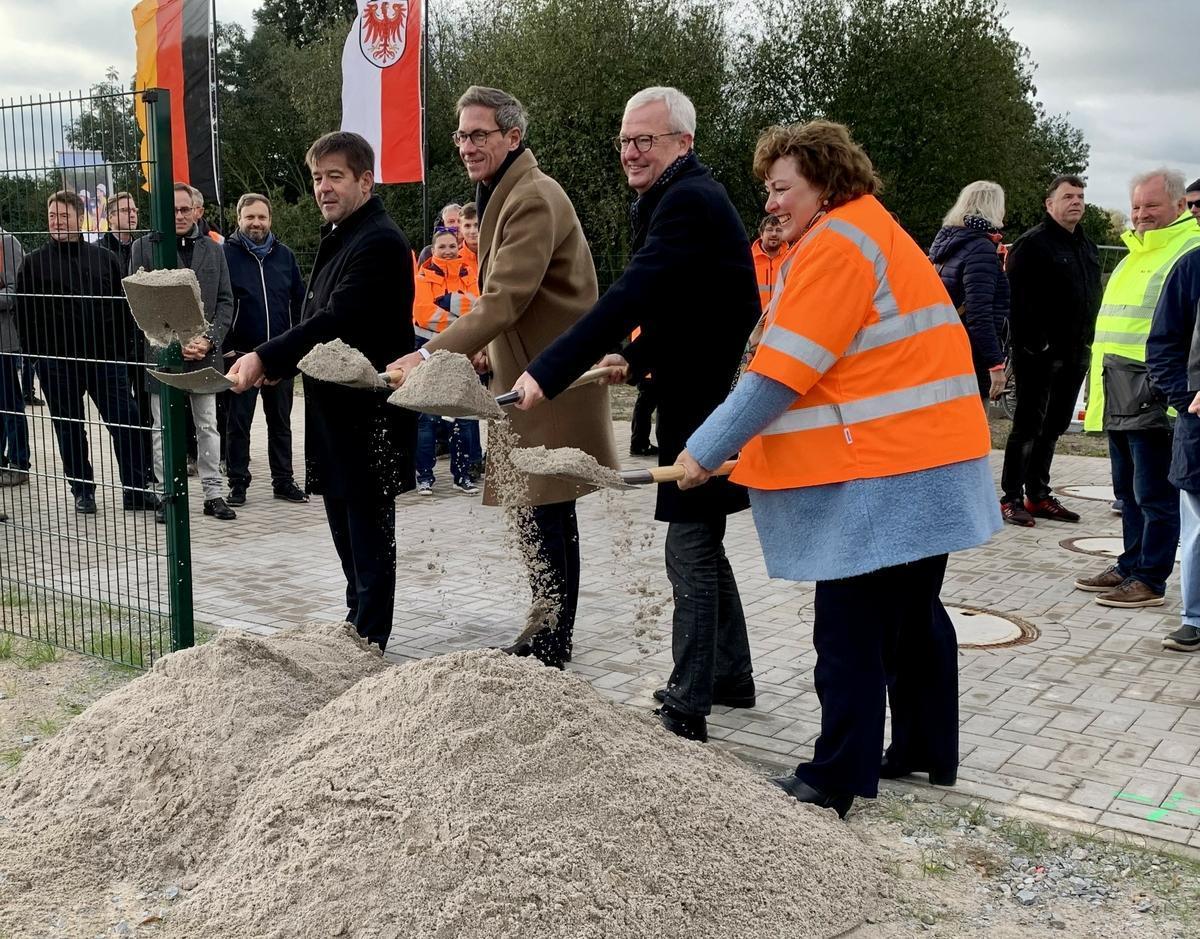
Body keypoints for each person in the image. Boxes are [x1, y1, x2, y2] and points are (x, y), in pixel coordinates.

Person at [676, 121, 998, 817]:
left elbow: (778, 374)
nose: (772, 202)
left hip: (890, 468)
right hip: (930, 457)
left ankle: (834, 776)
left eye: (782, 187)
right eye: (768, 189)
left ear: (826, 183)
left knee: (847, 626)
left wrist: (701, 450)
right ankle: (924, 748)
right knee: (912, 618)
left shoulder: (837, 245)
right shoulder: (872, 230)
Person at [510, 86, 760, 741]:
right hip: (695, 391)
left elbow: (635, 293)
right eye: (625, 139)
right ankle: (730, 672)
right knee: (703, 539)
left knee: (690, 549)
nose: (630, 151)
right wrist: (638, 358)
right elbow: (683, 301)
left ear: (684, 142)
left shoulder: (687, 201)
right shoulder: (676, 197)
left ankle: (688, 702)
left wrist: (548, 369)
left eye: (645, 139)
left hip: (705, 403)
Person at [388, 86, 618, 669]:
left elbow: (504, 300)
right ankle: (546, 632)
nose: (467, 145)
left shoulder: (532, 197)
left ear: (513, 137)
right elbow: (516, 302)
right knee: (540, 515)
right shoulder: (505, 193)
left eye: (479, 134)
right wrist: (487, 352)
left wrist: (429, 356)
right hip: (526, 380)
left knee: (547, 513)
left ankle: (550, 641)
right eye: (462, 135)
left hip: (549, 386)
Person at [227, 131, 417, 653]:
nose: (324, 187)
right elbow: (316, 322)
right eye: (317, 178)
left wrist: (267, 355)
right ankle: (357, 624)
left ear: (365, 180)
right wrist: (280, 367)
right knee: (345, 530)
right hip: (337, 413)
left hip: (369, 417)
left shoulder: (378, 240)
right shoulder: (341, 234)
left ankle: (370, 640)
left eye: (336, 176)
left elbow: (337, 319)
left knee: (369, 535)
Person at [1075, 169, 1200, 608]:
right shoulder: (1134, 254)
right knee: (1127, 490)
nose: (1141, 214)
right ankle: (1130, 564)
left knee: (1155, 494)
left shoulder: (1187, 250)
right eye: (1136, 206)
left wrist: (1178, 395)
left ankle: (1150, 577)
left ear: (1179, 206)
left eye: (1152, 206)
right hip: (1119, 391)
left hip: (1156, 394)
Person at [14, 191, 153, 514]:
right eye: (52, 216)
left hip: (106, 360)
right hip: (58, 363)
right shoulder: (34, 263)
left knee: (127, 422)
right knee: (70, 426)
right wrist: (38, 357)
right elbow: (25, 314)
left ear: (80, 219)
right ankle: (83, 490)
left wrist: (123, 351)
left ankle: (135, 490)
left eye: (63, 216)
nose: (57, 222)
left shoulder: (106, 259)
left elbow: (123, 309)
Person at [998, 175, 1100, 527]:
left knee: (1054, 425)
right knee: (1028, 425)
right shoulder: (1033, 244)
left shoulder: (1086, 245)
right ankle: (1011, 497)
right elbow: (1017, 301)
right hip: (1038, 355)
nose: (1076, 202)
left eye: (1080, 196)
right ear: (1049, 204)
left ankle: (1038, 493)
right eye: (1068, 196)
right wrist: (1033, 344)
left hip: (1075, 353)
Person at [130, 182, 236, 522]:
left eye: (184, 209)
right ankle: (166, 494)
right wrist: (174, 344)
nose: (178, 215)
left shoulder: (215, 250)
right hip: (162, 355)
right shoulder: (143, 248)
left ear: (197, 211)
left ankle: (213, 493)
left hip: (204, 355)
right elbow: (137, 303)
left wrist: (208, 340)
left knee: (208, 425)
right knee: (164, 427)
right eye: (172, 209)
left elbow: (225, 302)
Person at [222, 192, 308, 506]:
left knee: (281, 422)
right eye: (250, 217)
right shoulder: (225, 255)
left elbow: (299, 300)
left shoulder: (284, 255)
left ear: (270, 220)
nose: (256, 223)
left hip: (281, 356)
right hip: (241, 356)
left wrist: (296, 346)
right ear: (239, 219)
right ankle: (238, 483)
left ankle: (283, 480)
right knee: (238, 424)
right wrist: (229, 349)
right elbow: (220, 302)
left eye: (262, 217)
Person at [1148, 247, 1200, 652]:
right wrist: (1186, 399)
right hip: (1199, 424)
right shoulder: (1193, 266)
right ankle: (1195, 618)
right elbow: (1163, 341)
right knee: (1197, 526)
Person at [412, 226, 480, 495]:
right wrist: (462, 319)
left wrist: (447, 302)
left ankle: (462, 475)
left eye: (452, 245)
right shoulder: (424, 274)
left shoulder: (469, 272)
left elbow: (480, 307)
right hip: (428, 348)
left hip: (461, 350)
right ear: (434, 249)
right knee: (427, 417)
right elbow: (423, 313)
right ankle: (425, 476)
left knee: (461, 415)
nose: (448, 251)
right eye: (442, 246)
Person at [928, 180, 1010, 404]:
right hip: (970, 356)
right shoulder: (981, 249)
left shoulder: (948, 244)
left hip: (943, 351)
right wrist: (995, 364)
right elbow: (979, 312)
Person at [0, 222, 29, 487]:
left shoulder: (7, 243)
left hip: (5, 341)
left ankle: (20, 462)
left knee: (10, 403)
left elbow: (16, 290)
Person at [751, 214, 786, 312]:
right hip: (754, 321)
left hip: (781, 321)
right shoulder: (749, 260)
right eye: (770, 230)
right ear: (761, 234)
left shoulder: (791, 259)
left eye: (779, 230)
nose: (774, 234)